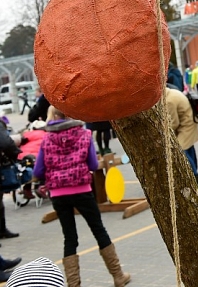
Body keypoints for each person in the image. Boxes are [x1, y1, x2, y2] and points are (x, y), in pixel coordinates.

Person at [34, 107, 131, 286]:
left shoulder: (47, 138)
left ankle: (74, 283)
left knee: (70, 237)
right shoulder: (84, 134)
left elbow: (38, 170)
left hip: (58, 194)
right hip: (82, 190)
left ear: (53, 115)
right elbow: (93, 165)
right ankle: (118, 276)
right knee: (98, 229)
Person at [165, 86, 198, 189]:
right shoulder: (172, 92)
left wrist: (166, 134)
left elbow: (174, 122)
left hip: (186, 125)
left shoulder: (169, 101)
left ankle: (195, 177)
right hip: (190, 121)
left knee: (182, 150)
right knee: (189, 148)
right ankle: (194, 170)